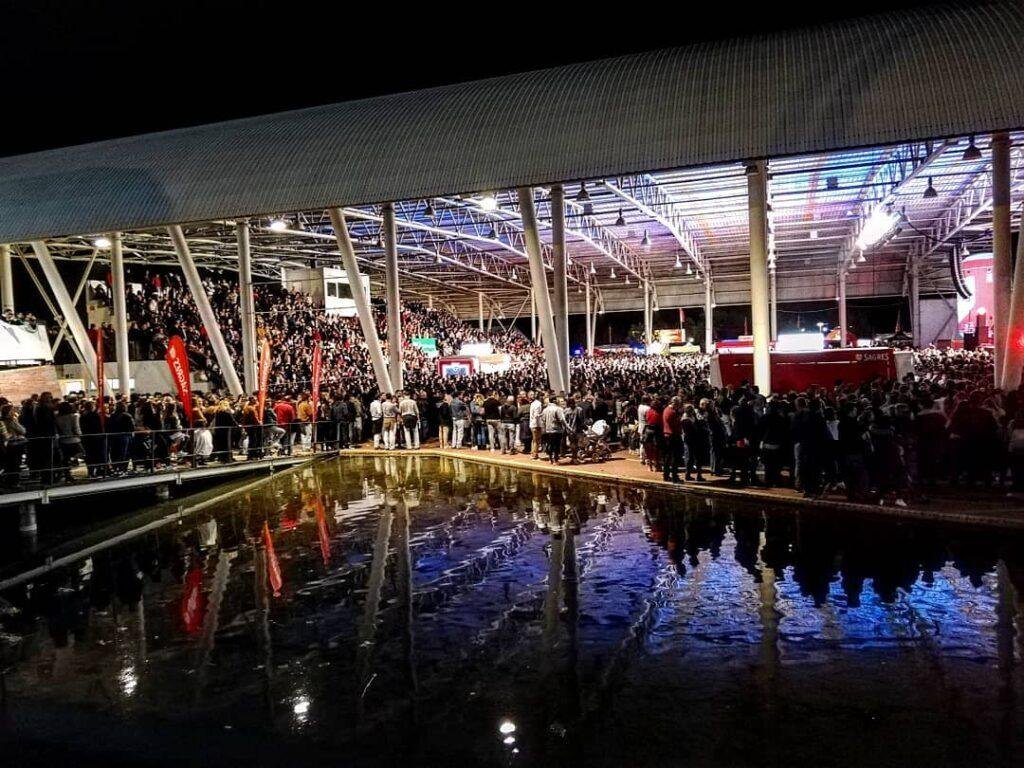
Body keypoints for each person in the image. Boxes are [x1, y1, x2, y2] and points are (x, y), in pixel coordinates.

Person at [662, 396, 683, 483]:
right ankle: (674, 476)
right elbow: (676, 424)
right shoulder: (672, 412)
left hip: (667, 435)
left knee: (668, 457)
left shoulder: (666, 409)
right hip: (673, 435)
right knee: (675, 457)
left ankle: (666, 475)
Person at [540, 396, 566, 465]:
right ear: (554, 401)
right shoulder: (558, 409)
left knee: (550, 444)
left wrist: (544, 429)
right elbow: (562, 420)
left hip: (548, 430)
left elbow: (543, 420)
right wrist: (567, 427)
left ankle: (551, 459)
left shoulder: (545, 410)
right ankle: (556, 460)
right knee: (557, 445)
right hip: (557, 430)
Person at [529, 392, 544, 460]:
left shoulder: (533, 403)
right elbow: (536, 415)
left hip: (532, 424)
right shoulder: (538, 404)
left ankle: (533, 453)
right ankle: (535, 455)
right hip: (536, 424)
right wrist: (543, 414)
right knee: (536, 440)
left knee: (534, 440)